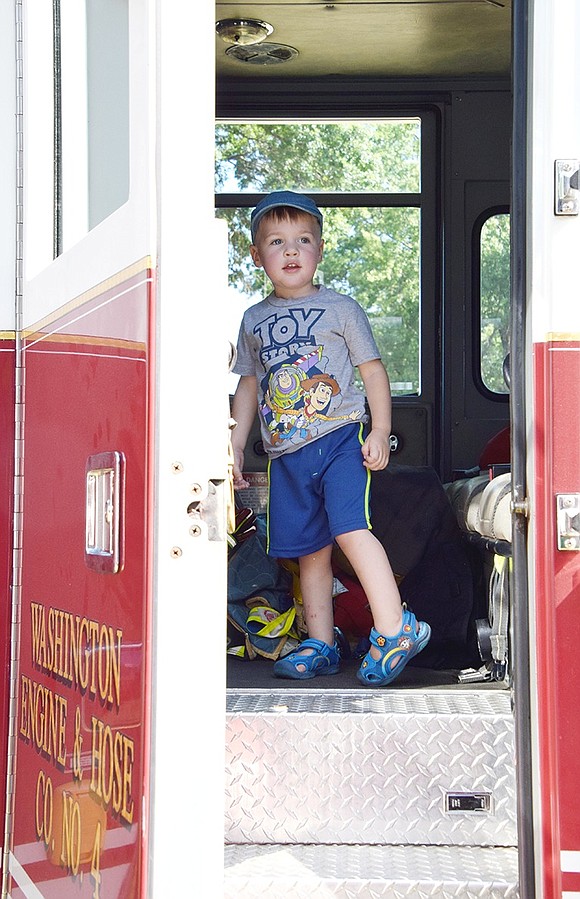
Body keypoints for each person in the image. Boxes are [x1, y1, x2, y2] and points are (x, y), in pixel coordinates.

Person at [230, 190, 431, 685]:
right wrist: (234, 444)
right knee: (309, 552)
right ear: (257, 257)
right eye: (277, 242)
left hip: (339, 438)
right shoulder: (254, 320)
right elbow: (249, 384)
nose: (292, 251)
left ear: (320, 249)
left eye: (303, 240)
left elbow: (372, 371)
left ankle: (394, 626)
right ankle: (320, 641)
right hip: (286, 454)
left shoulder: (341, 308)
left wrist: (380, 430)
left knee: (349, 529)